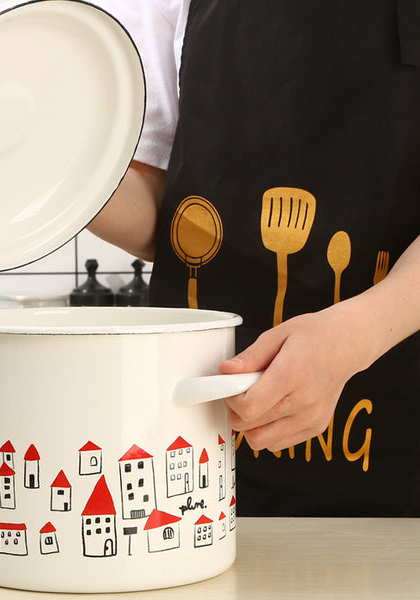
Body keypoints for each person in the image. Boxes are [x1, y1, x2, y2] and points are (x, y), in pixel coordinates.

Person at [88, 0, 420, 516]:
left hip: (398, 428)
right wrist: (65, 182)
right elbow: (169, 216)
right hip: (207, 418)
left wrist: (357, 333)